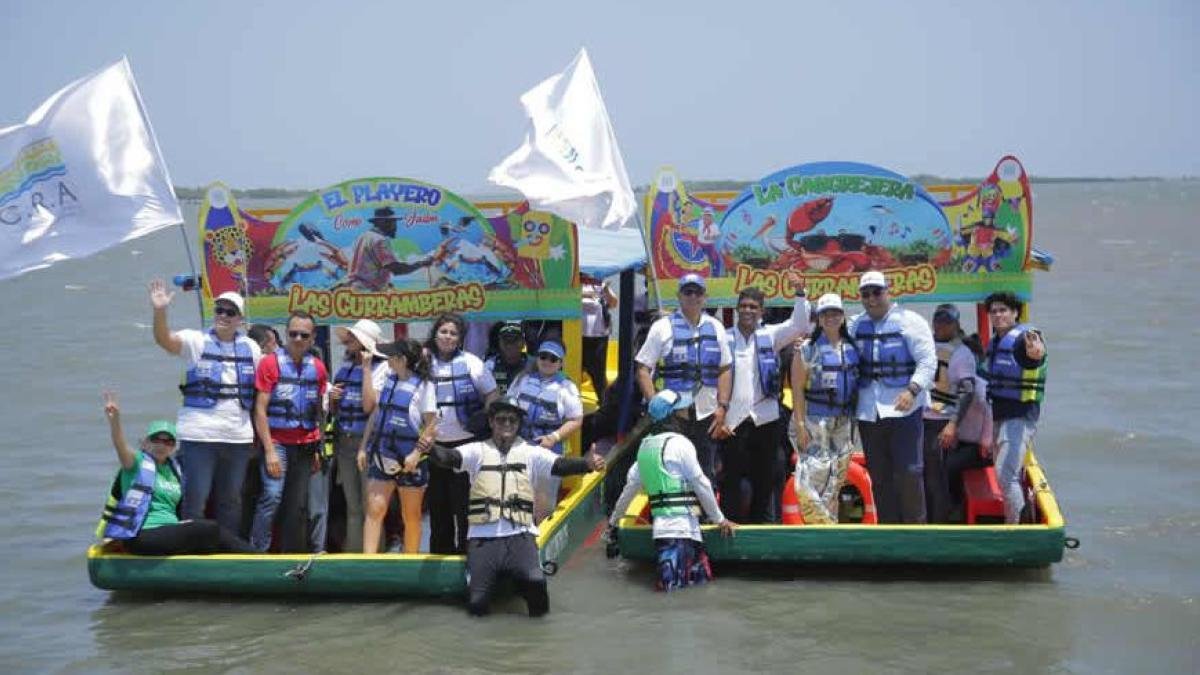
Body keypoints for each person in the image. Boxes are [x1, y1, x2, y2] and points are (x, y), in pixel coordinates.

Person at [421, 400, 605, 616]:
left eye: (512, 420)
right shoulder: (476, 450)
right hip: (483, 539)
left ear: (518, 424)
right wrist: (430, 449)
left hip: (520, 537)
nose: (507, 424)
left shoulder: (531, 452)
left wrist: (587, 464)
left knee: (536, 584)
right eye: (501, 419)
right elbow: (449, 457)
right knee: (477, 603)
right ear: (491, 422)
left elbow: (560, 465)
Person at [149, 279, 262, 535]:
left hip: (238, 438)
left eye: (230, 312)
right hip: (199, 435)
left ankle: (227, 550)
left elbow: (265, 386)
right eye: (219, 310)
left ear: (240, 319)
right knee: (195, 498)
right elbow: (164, 340)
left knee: (231, 501)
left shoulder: (252, 348)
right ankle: (191, 548)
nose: (223, 316)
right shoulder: (195, 340)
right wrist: (160, 311)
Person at [607, 390, 736, 591]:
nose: (687, 413)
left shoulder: (645, 448)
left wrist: (614, 523)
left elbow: (629, 490)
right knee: (684, 592)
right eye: (682, 410)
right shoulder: (680, 444)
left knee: (678, 591)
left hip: (667, 533)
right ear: (672, 416)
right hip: (681, 531)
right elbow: (701, 484)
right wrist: (720, 519)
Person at [97, 391, 254, 555]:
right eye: (156, 439)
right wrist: (115, 421)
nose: (161, 445)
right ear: (145, 443)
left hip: (171, 532)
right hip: (143, 534)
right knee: (209, 528)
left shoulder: (174, 470)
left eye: (168, 442)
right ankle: (256, 558)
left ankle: (249, 559)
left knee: (210, 534)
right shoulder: (136, 464)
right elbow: (120, 446)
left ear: (173, 447)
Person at [848, 270, 937, 524]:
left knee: (909, 472)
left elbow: (928, 361)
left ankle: (916, 528)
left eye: (877, 292)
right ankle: (888, 529)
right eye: (866, 294)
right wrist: (805, 344)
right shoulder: (854, 325)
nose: (871, 299)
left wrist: (912, 390)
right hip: (868, 411)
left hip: (905, 408)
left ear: (889, 291)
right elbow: (832, 343)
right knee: (879, 475)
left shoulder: (911, 322)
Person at [719, 284, 810, 523]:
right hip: (733, 423)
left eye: (753, 307)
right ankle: (730, 527)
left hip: (765, 419)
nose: (748, 311)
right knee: (731, 481)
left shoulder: (770, 335)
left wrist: (800, 294)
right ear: (737, 309)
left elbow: (799, 325)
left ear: (761, 311)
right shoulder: (724, 337)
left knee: (764, 480)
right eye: (743, 306)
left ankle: (760, 528)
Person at [635, 272, 733, 480]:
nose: (693, 297)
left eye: (698, 292)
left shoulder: (716, 328)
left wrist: (722, 407)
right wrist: (654, 403)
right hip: (672, 416)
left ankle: (704, 503)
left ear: (705, 297)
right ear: (679, 296)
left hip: (706, 415)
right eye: (688, 292)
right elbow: (643, 367)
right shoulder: (662, 327)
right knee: (671, 473)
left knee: (704, 476)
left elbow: (725, 368)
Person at [249, 312, 329, 552]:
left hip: (306, 445)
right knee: (272, 496)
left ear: (312, 338)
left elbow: (319, 412)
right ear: (286, 334)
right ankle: (257, 550)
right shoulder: (270, 364)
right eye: (293, 334)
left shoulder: (318, 368)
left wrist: (318, 448)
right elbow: (260, 410)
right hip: (277, 443)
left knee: (297, 504)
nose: (297, 339)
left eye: (304, 335)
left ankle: (290, 553)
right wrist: (269, 450)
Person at [426, 313, 499, 554]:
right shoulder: (424, 363)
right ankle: (441, 554)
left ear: (460, 338)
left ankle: (469, 554)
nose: (448, 337)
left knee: (465, 505)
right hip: (435, 447)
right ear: (435, 334)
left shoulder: (472, 363)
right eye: (443, 332)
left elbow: (492, 394)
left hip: (466, 446)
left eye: (453, 333)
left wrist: (485, 416)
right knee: (438, 506)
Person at [358, 340, 438, 553]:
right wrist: (363, 447)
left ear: (402, 360)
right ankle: (367, 562)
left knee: (411, 516)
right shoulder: (388, 379)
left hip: (410, 460)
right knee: (375, 509)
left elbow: (431, 426)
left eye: (391, 355)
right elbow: (376, 414)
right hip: (382, 455)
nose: (387, 359)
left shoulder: (424, 386)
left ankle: (410, 561)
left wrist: (416, 454)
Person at [789, 293, 861, 524]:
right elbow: (797, 389)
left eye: (835, 313)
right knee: (814, 474)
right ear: (819, 318)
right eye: (825, 314)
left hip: (844, 421)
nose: (831, 318)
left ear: (843, 316)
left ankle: (830, 525)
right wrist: (800, 425)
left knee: (836, 477)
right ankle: (817, 524)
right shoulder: (807, 349)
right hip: (814, 419)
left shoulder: (852, 347)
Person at [982, 291, 1047, 524]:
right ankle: (1016, 519)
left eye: (1003, 310)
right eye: (994, 311)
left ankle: (1020, 527)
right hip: (1000, 415)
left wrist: (1036, 353)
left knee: (1005, 475)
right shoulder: (995, 342)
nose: (998, 315)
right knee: (1007, 475)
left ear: (1015, 313)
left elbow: (1035, 354)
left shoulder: (1024, 339)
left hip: (1020, 417)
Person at [328, 319, 389, 553]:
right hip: (344, 441)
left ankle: (374, 557)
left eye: (353, 337)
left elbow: (368, 406)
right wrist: (333, 400)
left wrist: (366, 369)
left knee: (370, 506)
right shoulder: (344, 367)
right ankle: (353, 555)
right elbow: (336, 410)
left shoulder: (382, 368)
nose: (348, 341)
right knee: (352, 506)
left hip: (369, 444)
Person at [507, 339, 584, 521]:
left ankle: (540, 530)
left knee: (543, 504)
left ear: (560, 363)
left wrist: (553, 437)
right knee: (515, 495)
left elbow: (576, 419)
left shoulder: (567, 387)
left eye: (553, 359)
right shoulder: (522, 379)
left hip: (548, 449)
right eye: (543, 357)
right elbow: (508, 407)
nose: (547, 361)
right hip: (520, 445)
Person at [921, 304, 978, 523]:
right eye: (938, 321)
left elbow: (968, 390)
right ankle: (924, 520)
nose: (941, 326)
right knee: (922, 474)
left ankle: (939, 524)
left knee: (936, 477)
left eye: (947, 322)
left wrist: (953, 424)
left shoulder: (961, 353)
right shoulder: (926, 345)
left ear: (956, 324)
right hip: (920, 418)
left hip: (941, 421)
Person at [325, 207, 437, 290]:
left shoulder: (363, 236)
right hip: (367, 292)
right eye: (393, 222)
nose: (395, 227)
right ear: (383, 222)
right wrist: (422, 263)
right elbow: (396, 269)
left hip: (354, 288)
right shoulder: (380, 240)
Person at [944, 336, 994, 520]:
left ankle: (955, 506)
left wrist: (986, 442)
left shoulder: (981, 386)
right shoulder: (952, 382)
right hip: (962, 440)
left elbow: (990, 412)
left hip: (980, 447)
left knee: (950, 465)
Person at [581, 275, 618, 399]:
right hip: (576, 337)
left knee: (599, 374)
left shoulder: (600, 284)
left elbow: (614, 303)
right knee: (574, 370)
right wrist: (586, 295)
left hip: (598, 337)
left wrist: (605, 288)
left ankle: (604, 403)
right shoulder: (574, 282)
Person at [484, 321, 530, 398]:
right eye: (505, 340)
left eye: (514, 340)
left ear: (523, 343)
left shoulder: (532, 364)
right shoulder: (490, 365)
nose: (509, 345)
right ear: (499, 342)